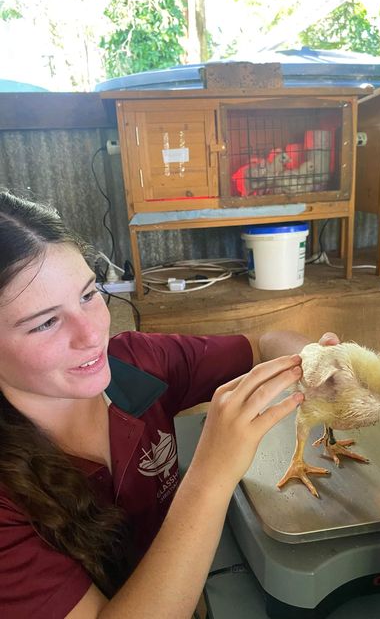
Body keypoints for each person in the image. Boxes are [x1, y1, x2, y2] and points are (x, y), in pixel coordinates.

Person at [0, 190, 338, 619]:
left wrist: (319, 361)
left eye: (88, 295)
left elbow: (264, 343)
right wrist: (211, 474)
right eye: (46, 322)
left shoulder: (136, 363)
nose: (91, 334)